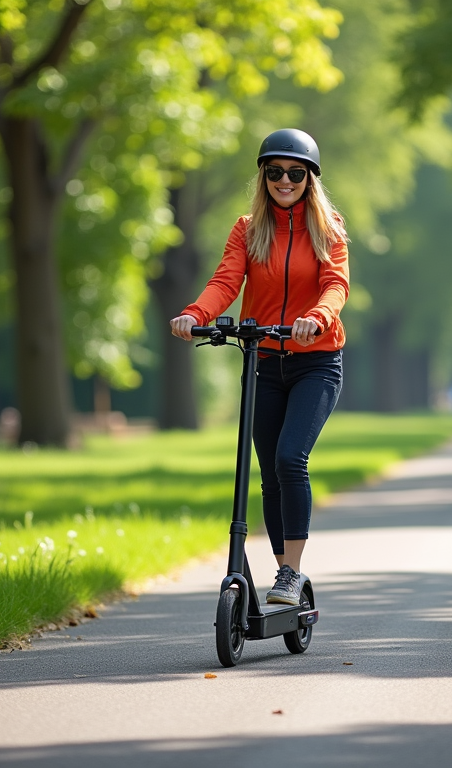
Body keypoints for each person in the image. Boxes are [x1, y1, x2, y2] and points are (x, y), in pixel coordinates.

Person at [170, 129, 349, 606]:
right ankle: (281, 571)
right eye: (275, 172)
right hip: (265, 361)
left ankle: (291, 573)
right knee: (268, 473)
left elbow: (336, 284)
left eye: (295, 173)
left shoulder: (328, 228)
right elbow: (226, 279)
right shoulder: (248, 228)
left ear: (310, 178)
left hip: (316, 362)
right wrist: (196, 315)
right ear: (264, 175)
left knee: (291, 459)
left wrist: (317, 318)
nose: (284, 180)